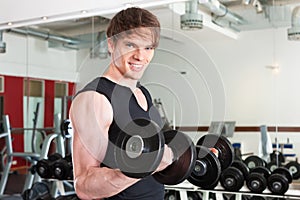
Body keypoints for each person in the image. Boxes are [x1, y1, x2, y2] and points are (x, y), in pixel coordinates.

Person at [69, 7, 174, 200]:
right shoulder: (95, 98)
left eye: (148, 47)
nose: (140, 56)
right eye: (130, 45)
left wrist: (193, 157)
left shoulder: (143, 93)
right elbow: (84, 185)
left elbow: (157, 154)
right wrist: (147, 164)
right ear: (111, 44)